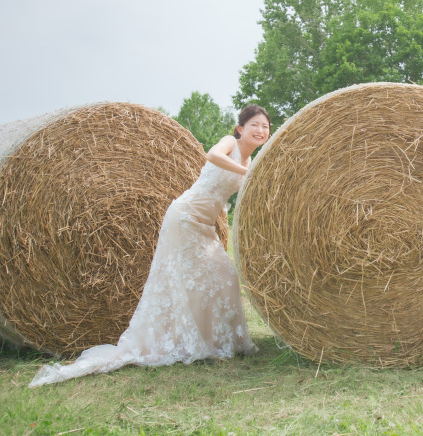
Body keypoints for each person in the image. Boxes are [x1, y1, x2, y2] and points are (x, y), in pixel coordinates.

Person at [29, 105, 271, 387]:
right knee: (187, 280)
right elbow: (212, 155)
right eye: (255, 124)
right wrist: (244, 170)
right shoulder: (231, 145)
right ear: (241, 128)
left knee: (223, 276)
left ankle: (217, 340)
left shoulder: (252, 161)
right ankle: (194, 343)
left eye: (265, 126)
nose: (260, 130)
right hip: (185, 217)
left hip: (204, 225)